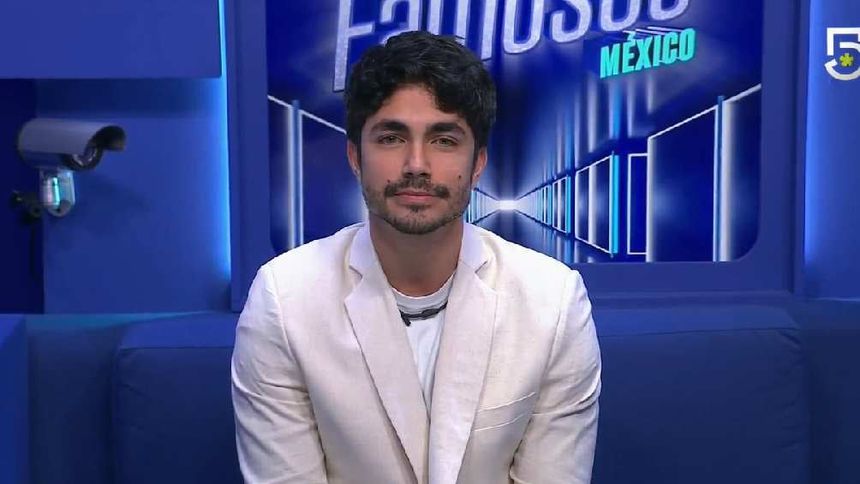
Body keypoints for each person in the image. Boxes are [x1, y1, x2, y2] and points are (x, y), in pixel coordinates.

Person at [231, 30, 602, 484]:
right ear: (354, 156)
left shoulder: (554, 302)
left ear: (478, 162)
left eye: (444, 140)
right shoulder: (284, 300)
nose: (417, 165)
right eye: (391, 138)